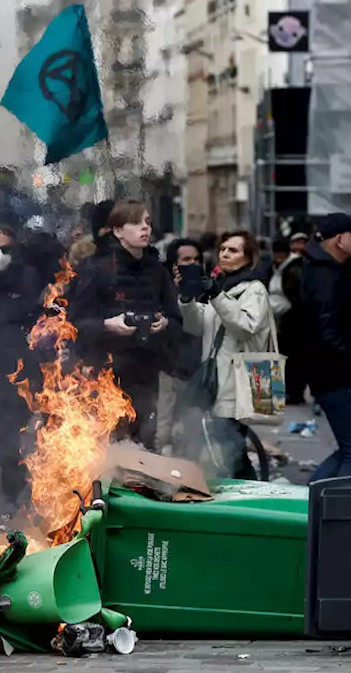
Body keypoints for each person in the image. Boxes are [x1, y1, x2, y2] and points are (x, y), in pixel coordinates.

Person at [67, 200, 181, 449]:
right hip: (106, 371)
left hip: (147, 369)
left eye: (148, 223)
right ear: (118, 231)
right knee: (107, 446)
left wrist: (163, 323)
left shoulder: (158, 271)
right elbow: (74, 324)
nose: (145, 229)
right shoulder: (96, 269)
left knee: (144, 443)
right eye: (136, 223)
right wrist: (108, 325)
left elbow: (176, 319)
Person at [176, 231, 273, 477]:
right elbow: (198, 326)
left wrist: (216, 294)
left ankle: (250, 496)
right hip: (216, 378)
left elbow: (244, 326)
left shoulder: (254, 289)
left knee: (231, 446)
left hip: (239, 379)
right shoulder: (221, 286)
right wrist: (187, 299)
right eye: (223, 249)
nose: (226, 254)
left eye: (234, 250)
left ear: (248, 258)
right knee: (227, 445)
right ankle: (247, 493)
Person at [298, 213, 351, 479]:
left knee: (350, 448)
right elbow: (325, 330)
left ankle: (308, 504)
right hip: (336, 376)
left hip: (336, 374)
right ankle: (337, 514)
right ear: (340, 240)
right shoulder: (323, 276)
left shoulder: (339, 269)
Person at [0, 224, 41, 513]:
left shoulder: (27, 279)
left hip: (15, 375)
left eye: (5, 249)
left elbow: (38, 324)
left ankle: (13, 502)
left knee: (11, 445)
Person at [158, 238, 203, 455]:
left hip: (197, 374)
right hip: (169, 371)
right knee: (162, 434)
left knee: (190, 436)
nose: (193, 264)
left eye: (196, 259)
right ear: (174, 265)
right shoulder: (162, 290)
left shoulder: (207, 291)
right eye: (186, 260)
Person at [269, 232, 309, 405]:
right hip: (280, 320)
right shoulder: (278, 267)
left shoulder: (293, 268)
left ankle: (294, 392)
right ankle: (286, 391)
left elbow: (297, 296)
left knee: (293, 360)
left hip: (292, 321)